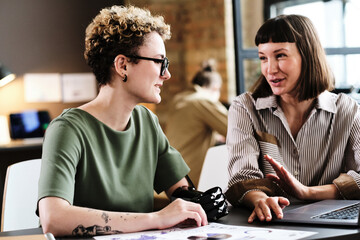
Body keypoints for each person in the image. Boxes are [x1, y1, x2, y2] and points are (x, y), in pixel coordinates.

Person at [37, 5, 227, 237]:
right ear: (122, 65)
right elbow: (53, 219)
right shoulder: (67, 130)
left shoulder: (146, 121)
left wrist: (203, 201)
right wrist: (156, 219)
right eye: (159, 62)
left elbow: (180, 191)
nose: (166, 74)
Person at [225, 14, 360, 223]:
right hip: (272, 224)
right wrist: (260, 200)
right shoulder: (245, 108)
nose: (270, 69)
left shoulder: (346, 109)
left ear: (307, 55)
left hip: (332, 226)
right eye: (263, 57)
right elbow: (242, 178)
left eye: (280, 56)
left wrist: (307, 192)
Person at [166, 59, 228, 188]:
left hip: (170, 174)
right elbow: (237, 130)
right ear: (215, 88)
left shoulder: (180, 99)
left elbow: (189, 131)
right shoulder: (203, 101)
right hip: (190, 179)